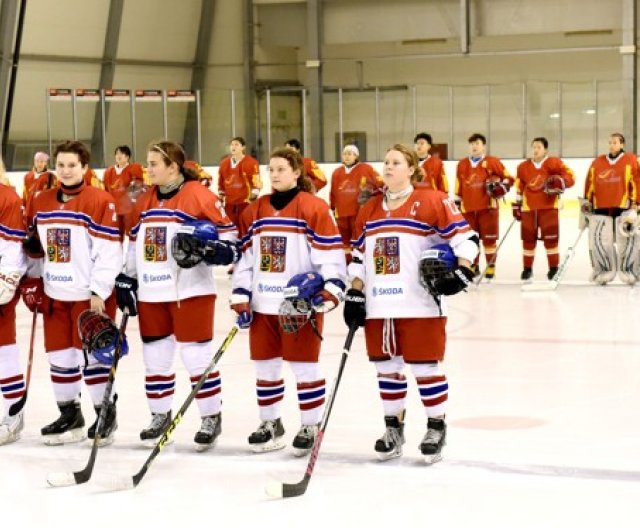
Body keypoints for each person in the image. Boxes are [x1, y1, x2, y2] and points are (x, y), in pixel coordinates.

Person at [342, 144, 478, 464]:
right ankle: (393, 429)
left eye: (396, 162)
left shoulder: (432, 200)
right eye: (386, 161)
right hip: (380, 307)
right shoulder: (371, 209)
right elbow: (360, 258)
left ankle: (436, 427)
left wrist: (462, 271)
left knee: (425, 369)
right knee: (387, 370)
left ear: (412, 169)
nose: (388, 167)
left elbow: (465, 239)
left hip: (419, 304)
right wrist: (356, 292)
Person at [115, 140, 239, 451]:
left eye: (155, 163)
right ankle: (160, 414)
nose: (149, 168)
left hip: (191, 291)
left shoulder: (199, 195)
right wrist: (127, 277)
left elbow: (230, 237)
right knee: (156, 359)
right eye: (148, 162)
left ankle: (211, 416)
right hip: (151, 292)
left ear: (173, 167)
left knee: (195, 356)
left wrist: (218, 250)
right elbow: (134, 243)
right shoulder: (143, 199)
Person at [230, 147, 346, 456]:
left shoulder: (314, 208)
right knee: (266, 369)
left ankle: (310, 424)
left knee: (304, 368)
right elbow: (245, 260)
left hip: (298, 307)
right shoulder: (254, 211)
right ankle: (271, 424)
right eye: (272, 169)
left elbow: (330, 258)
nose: (276, 174)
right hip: (263, 305)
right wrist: (241, 294)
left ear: (297, 173)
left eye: (282, 169)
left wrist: (331, 289)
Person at [20, 140, 122, 446]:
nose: (65, 171)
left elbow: (109, 252)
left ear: (85, 168)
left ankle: (105, 414)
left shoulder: (100, 200)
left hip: (87, 295)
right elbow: (37, 248)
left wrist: (98, 291)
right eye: (60, 165)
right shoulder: (41, 200)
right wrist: (33, 282)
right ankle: (70, 415)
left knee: (93, 359)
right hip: (55, 293)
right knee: (60, 358)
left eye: (72, 165)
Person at [513, 138, 575, 282]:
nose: (535, 150)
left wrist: (562, 181)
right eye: (534, 147)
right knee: (528, 240)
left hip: (549, 208)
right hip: (529, 208)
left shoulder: (554, 163)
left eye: (539, 147)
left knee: (551, 239)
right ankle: (527, 269)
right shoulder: (523, 166)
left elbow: (571, 176)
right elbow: (519, 184)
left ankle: (553, 268)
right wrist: (517, 203)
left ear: (545, 149)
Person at [583, 133, 640, 285]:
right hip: (601, 206)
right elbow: (590, 183)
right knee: (601, 241)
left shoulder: (631, 160)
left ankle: (629, 270)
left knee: (627, 241)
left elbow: (636, 181)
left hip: (624, 206)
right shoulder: (598, 162)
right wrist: (587, 202)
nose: (612, 145)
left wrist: (636, 203)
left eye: (615, 142)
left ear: (622, 145)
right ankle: (603, 270)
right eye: (610, 142)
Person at [455, 133, 513, 279]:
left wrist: (503, 186)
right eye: (472, 144)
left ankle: (490, 265)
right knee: (471, 239)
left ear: (483, 146)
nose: (474, 146)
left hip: (488, 208)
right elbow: (458, 186)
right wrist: (457, 203)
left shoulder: (493, 162)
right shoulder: (462, 164)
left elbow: (509, 178)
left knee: (489, 240)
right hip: (467, 209)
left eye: (477, 143)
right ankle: (473, 265)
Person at [0, 157, 28, 445]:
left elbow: (13, 248)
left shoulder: (6, 197)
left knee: (3, 348)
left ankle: (13, 413)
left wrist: (5, 281)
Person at [329, 144, 383, 261]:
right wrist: (333, 207)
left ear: (356, 156)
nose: (347, 156)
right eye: (345, 154)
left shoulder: (366, 168)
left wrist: (374, 199)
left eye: (350, 153)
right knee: (344, 242)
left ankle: (359, 262)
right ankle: (346, 263)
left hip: (358, 212)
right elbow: (333, 191)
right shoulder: (337, 172)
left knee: (358, 238)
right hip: (341, 213)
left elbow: (380, 184)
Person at [217, 137, 261, 228]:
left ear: (243, 147)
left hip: (245, 204)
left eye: (236, 144)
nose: (233, 147)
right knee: (230, 230)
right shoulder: (224, 164)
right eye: (232, 144)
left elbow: (256, 183)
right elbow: (221, 183)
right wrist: (221, 199)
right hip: (229, 205)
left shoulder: (252, 163)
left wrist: (252, 201)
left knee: (246, 228)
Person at [102, 145, 145, 237]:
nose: (119, 156)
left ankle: (132, 250)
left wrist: (129, 203)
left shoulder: (134, 168)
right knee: (115, 234)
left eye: (121, 153)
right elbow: (106, 191)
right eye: (117, 153)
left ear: (127, 156)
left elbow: (138, 187)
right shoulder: (108, 172)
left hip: (129, 208)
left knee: (132, 233)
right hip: (114, 208)